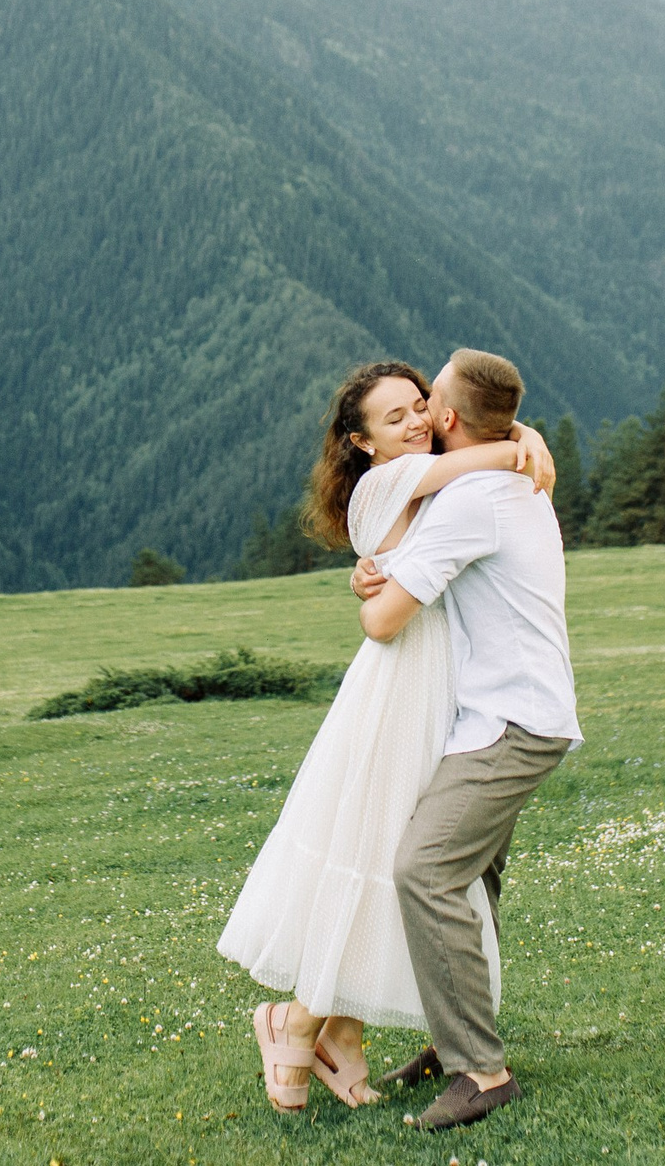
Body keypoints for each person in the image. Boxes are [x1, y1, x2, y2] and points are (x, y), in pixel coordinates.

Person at [221, 359, 554, 1114]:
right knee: (386, 855)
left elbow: (474, 464)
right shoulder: (388, 483)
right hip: (402, 688)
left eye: (420, 406)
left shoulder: (439, 479)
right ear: (361, 442)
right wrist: (520, 441)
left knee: (406, 859)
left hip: (442, 692)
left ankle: (337, 1029)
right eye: (395, 416)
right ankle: (299, 1020)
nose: (414, 421)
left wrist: (519, 434)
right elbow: (485, 456)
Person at [351, 347, 580, 1132]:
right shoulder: (511, 473)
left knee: (424, 870)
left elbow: (384, 622)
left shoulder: (472, 496)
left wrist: (373, 586)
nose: (420, 412)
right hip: (514, 712)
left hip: (509, 722)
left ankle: (482, 1072)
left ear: (449, 419)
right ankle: (451, 1043)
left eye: (429, 400)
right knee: (470, 878)